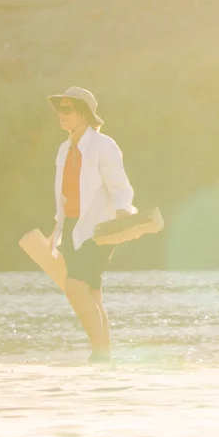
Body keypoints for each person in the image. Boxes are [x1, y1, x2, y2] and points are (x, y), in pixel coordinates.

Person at [47, 86, 136, 362]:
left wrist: (123, 213)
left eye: (67, 109)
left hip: (100, 228)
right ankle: (105, 356)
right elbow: (65, 194)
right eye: (59, 109)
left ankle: (98, 354)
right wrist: (57, 228)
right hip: (72, 228)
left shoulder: (104, 145)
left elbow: (120, 185)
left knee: (74, 287)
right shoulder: (64, 149)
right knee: (92, 294)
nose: (60, 114)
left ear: (84, 113)